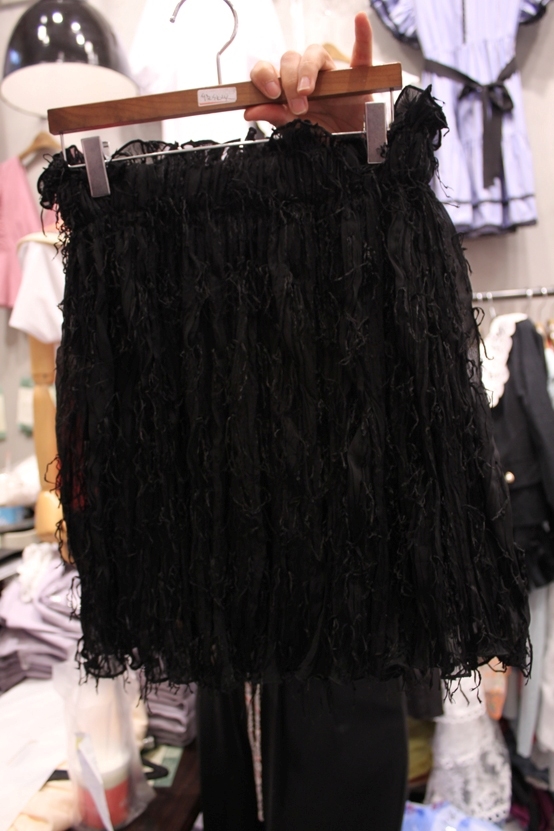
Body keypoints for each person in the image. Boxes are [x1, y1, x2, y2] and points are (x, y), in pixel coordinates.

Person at [195, 13, 409, 831]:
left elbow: (404, 319)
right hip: (226, 648)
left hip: (347, 647)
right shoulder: (180, 232)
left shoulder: (360, 252)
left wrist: (360, 149)